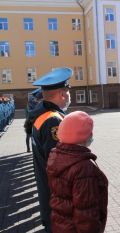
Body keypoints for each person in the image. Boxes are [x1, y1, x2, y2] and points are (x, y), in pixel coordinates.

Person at [47, 111, 108, 233]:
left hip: (61, 225)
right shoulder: (83, 168)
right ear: (84, 135)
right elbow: (86, 213)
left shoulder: (56, 155)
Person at [29, 67, 72, 232]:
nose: (69, 96)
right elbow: (59, 167)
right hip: (58, 203)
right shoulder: (53, 121)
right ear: (62, 94)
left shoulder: (44, 116)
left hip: (51, 199)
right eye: (67, 92)